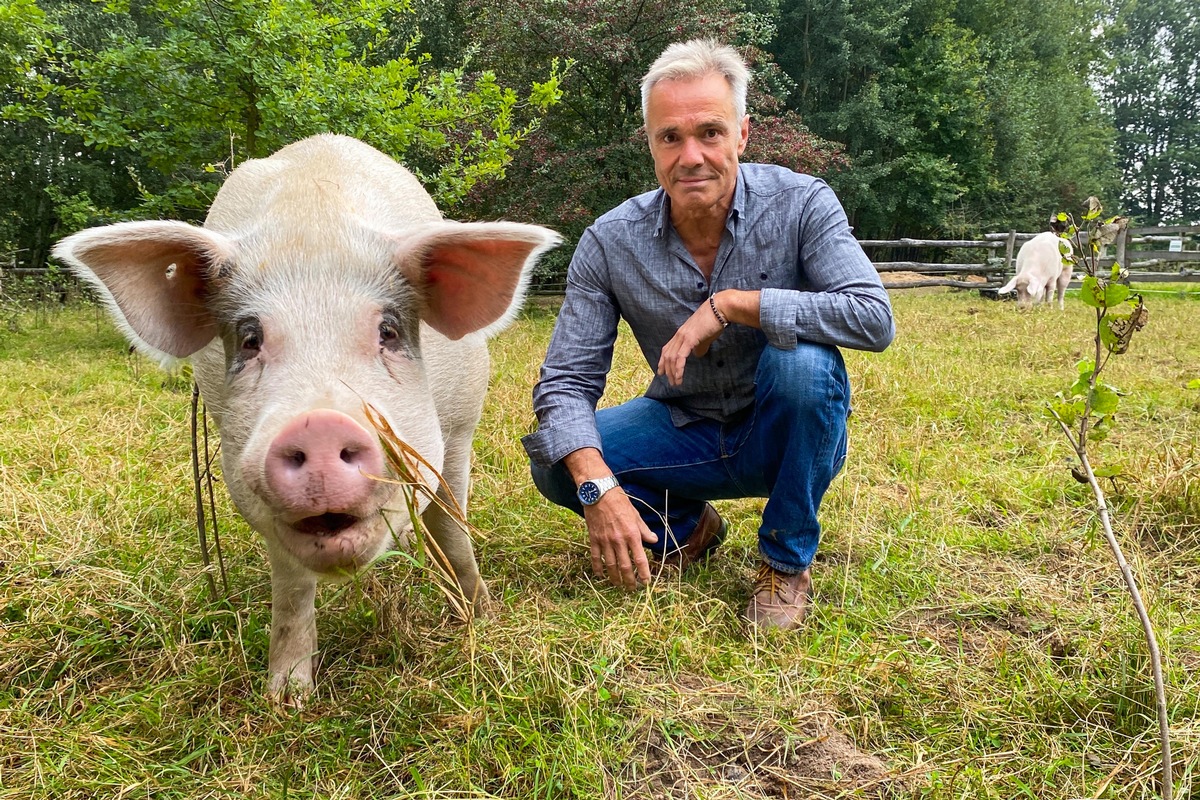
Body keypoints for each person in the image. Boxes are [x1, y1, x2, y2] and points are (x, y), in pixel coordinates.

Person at [521, 39, 894, 630]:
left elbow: (872, 317)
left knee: (803, 367)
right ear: (650, 145)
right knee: (557, 460)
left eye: (710, 133)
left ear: (742, 135)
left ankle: (784, 559)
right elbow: (565, 381)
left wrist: (734, 305)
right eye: (670, 137)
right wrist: (596, 488)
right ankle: (688, 528)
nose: (690, 155)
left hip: (783, 429)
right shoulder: (608, 242)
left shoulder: (802, 204)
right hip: (683, 427)